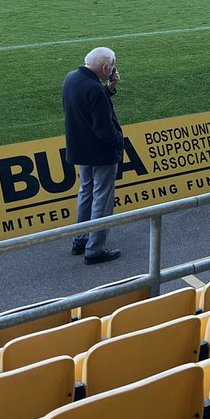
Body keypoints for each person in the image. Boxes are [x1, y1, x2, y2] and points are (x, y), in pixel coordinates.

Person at [62, 46, 123, 265]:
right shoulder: (95, 89)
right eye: (112, 67)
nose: (113, 70)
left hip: (80, 149)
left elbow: (88, 106)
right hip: (100, 152)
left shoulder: (72, 78)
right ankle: (95, 248)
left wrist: (111, 88)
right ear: (105, 66)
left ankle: (81, 238)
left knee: (85, 193)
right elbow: (104, 129)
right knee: (103, 199)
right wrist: (119, 139)